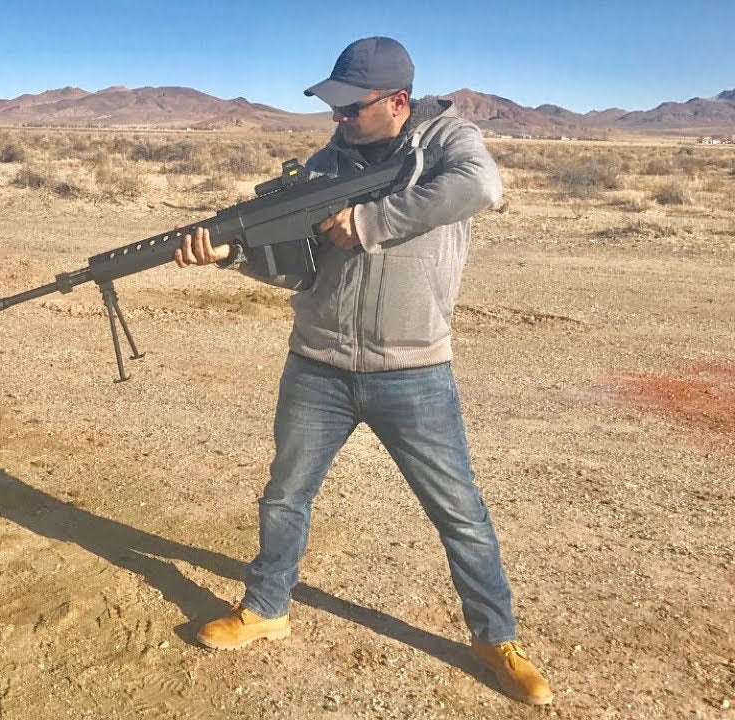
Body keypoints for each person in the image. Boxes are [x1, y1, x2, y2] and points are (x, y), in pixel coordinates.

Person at [174, 36, 553, 706]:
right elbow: (299, 270)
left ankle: (495, 639)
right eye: (335, 106)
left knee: (460, 513)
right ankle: (266, 608)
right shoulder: (326, 163)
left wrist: (372, 222)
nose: (338, 118)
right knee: (285, 496)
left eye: (352, 108)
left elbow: (483, 186)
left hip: (412, 368)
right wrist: (231, 256)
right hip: (317, 364)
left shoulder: (446, 142)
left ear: (398, 101)